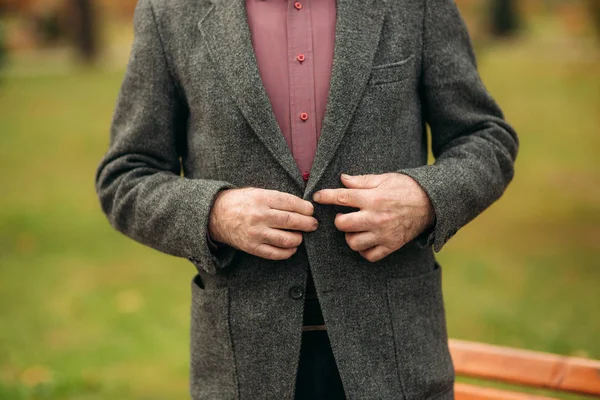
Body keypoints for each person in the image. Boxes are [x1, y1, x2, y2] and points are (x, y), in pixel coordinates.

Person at [94, 0, 519, 398]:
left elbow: (484, 138)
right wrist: (215, 213)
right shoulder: (169, 12)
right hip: (243, 365)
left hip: (396, 356)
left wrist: (423, 198)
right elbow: (126, 177)